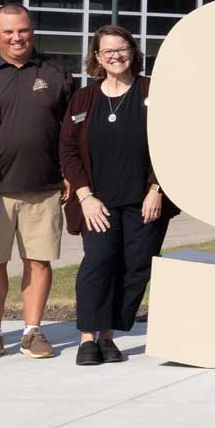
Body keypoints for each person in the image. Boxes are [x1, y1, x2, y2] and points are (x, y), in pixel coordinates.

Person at [0, 3, 74, 360]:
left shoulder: (56, 74)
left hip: (43, 188)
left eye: (23, 30)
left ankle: (32, 332)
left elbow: (70, 133)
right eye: (8, 31)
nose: (17, 37)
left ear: (33, 30)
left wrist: (70, 173)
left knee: (39, 262)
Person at [60, 23, 173, 366]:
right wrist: (84, 196)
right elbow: (67, 151)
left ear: (133, 51)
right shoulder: (83, 98)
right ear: (97, 57)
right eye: (107, 51)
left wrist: (157, 188)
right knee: (98, 264)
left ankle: (108, 336)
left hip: (145, 202)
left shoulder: (153, 91)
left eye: (121, 49)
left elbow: (172, 143)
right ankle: (87, 338)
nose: (115, 56)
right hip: (98, 204)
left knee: (135, 267)